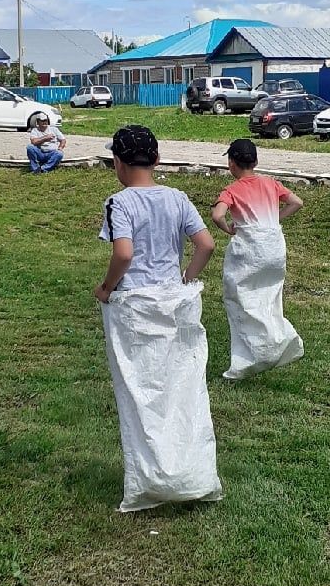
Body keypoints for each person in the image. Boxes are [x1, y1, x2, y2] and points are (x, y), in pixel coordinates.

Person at [96, 125, 221, 514]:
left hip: (135, 305)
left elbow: (124, 253)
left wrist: (106, 288)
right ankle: (194, 474)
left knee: (141, 391)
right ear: (158, 159)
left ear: (117, 162)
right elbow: (206, 244)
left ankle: (151, 480)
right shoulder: (178, 197)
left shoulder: (120, 203)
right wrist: (188, 277)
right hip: (174, 302)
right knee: (182, 388)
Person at [211, 137, 304, 380]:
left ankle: (249, 357)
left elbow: (217, 214)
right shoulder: (271, 183)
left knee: (240, 299)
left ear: (232, 163)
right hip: (273, 249)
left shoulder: (232, 190)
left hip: (250, 252)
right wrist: (275, 219)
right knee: (269, 296)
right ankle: (277, 340)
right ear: (256, 161)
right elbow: (297, 202)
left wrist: (229, 229)